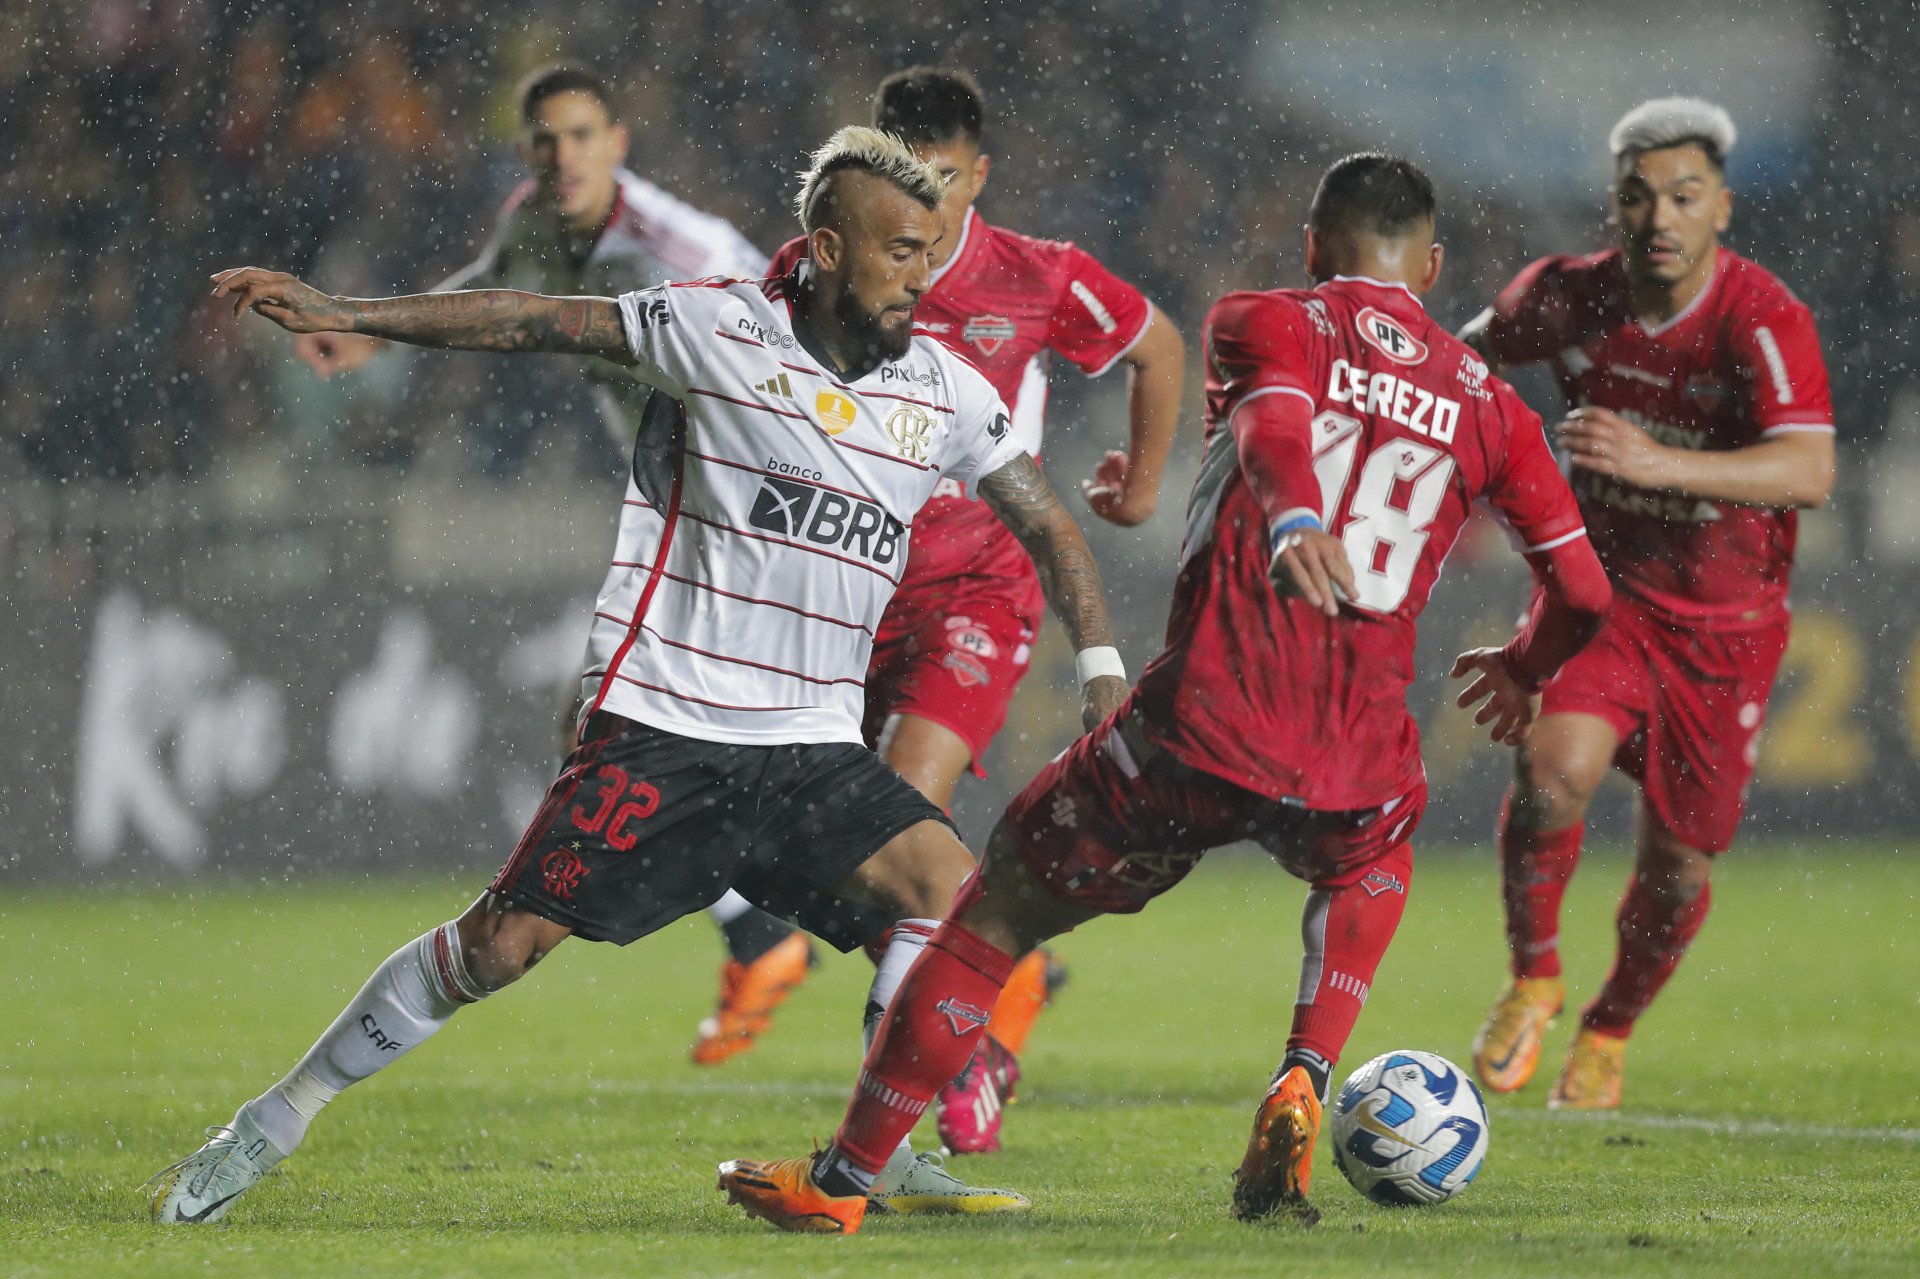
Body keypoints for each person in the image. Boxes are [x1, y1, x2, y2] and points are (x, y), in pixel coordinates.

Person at [149, 127, 1131, 1226]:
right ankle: (269, 1122)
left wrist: (1099, 668)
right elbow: (530, 320)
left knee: (954, 897)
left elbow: (1050, 526)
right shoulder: (718, 326)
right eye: (902, 251)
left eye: (933, 249)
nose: (924, 273)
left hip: (811, 746)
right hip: (670, 727)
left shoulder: (945, 391)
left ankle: (877, 1150)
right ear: (825, 246)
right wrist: (349, 311)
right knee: (499, 947)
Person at [717, 152, 1612, 1234]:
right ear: (1429, 264)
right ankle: (1303, 1073)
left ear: (1314, 247)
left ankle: (846, 1181)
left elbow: (1276, 428)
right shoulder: (1490, 405)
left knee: (992, 913)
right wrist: (1525, 664)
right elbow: (1585, 591)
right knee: (1375, 855)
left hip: (1200, 730)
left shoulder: (1264, 319)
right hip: (1354, 758)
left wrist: (1289, 519)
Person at [296, 63, 818, 1068]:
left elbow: (797, 348)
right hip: (688, 511)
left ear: (619, 140)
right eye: (545, 140)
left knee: (637, 731)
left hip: (757, 512)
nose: (562, 157)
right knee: (641, 732)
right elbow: (488, 292)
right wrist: (371, 342)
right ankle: (838, 934)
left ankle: (827, 936)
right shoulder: (536, 221)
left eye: (581, 136)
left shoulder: (683, 249)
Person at [764, 66, 1185, 1153]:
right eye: (902, 179)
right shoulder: (822, 268)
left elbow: (1159, 345)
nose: (925, 205)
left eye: (943, 180)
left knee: (905, 810)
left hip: (977, 588)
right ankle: (996, 983)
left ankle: (885, 1128)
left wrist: (1139, 487)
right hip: (843, 589)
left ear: (979, 174)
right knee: (844, 865)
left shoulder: (1034, 276)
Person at [1459, 98, 1835, 1109]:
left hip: (1726, 630)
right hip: (1609, 600)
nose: (1661, 216)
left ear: (1723, 207)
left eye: (1684, 194)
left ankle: (1610, 1026)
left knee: (1679, 862)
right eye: (1639, 195)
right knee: (1551, 771)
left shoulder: (1763, 317)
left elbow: (1810, 467)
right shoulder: (1564, 298)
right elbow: (1462, 363)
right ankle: (1534, 974)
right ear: (1614, 206)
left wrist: (1656, 460)